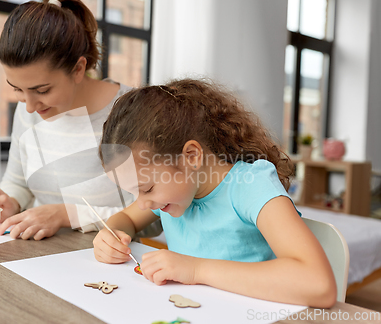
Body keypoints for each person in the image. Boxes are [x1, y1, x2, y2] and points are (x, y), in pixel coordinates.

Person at [93, 78, 337, 308]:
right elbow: (125, 220)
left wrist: (196, 270)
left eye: (146, 189)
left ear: (191, 156)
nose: (144, 204)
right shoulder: (174, 192)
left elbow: (319, 285)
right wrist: (112, 234)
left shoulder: (250, 186)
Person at [0, 0, 161, 240]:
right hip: (38, 255)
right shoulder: (28, 110)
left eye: (41, 90)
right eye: (17, 89)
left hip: (109, 261)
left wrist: (66, 215)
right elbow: (18, 182)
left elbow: (152, 213)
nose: (29, 106)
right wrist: (8, 202)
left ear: (78, 69)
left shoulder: (134, 114)